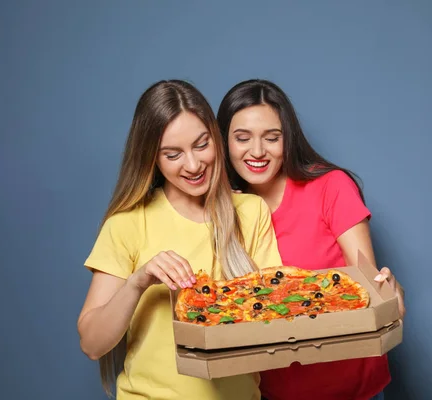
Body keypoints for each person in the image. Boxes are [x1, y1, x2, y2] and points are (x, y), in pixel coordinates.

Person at [77, 80, 282, 400]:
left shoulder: (251, 212)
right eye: (173, 154)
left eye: (202, 145)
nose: (193, 164)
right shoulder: (128, 224)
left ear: (216, 138)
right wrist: (138, 282)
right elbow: (91, 344)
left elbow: (276, 315)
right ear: (152, 158)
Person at [217, 79, 406, 400]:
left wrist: (391, 293)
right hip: (275, 392)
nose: (258, 151)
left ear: (287, 139)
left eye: (271, 138)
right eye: (242, 138)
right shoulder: (224, 211)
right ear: (224, 143)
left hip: (353, 388)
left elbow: (370, 281)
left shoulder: (331, 187)